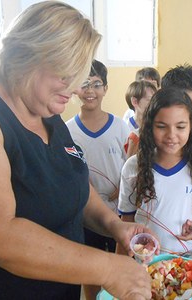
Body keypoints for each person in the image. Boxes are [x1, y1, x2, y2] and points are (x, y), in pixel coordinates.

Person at [0, 2, 155, 299]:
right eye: (65, 76)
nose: (75, 92)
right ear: (26, 56)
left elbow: (69, 182)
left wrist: (114, 225)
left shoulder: (41, 104)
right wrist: (107, 268)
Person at [118, 87, 192, 255]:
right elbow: (126, 221)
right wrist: (121, 267)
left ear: (191, 127)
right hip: (147, 262)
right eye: (161, 126)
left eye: (180, 126)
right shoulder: (133, 166)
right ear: (150, 127)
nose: (171, 135)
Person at [65, 59, 131, 299]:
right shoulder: (67, 130)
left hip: (118, 214)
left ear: (105, 88)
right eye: (84, 84)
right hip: (86, 216)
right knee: (90, 271)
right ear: (74, 88)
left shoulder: (120, 127)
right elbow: (68, 173)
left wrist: (124, 186)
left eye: (96, 84)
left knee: (119, 268)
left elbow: (133, 164)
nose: (90, 91)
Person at [124, 80, 157, 158]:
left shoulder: (157, 126)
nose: (155, 104)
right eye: (150, 100)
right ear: (135, 102)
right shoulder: (125, 129)